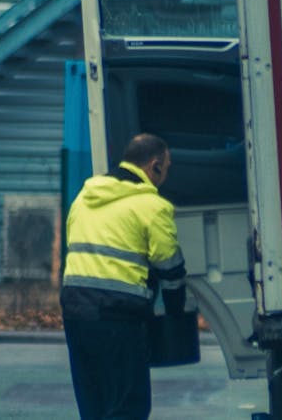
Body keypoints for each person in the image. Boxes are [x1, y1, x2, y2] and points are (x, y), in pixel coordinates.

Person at [60, 133, 187, 420]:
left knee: (95, 408)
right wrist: (175, 312)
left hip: (76, 315)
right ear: (154, 166)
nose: (165, 176)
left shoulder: (84, 198)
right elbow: (171, 269)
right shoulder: (152, 207)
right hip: (117, 319)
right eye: (166, 168)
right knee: (129, 408)